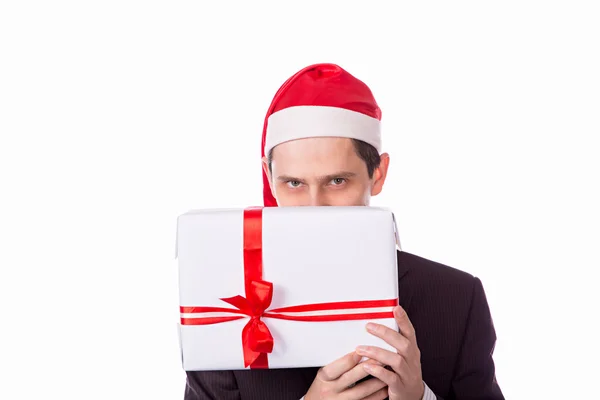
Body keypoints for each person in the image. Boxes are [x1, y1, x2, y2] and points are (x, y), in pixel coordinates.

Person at [184, 63, 504, 400]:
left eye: (337, 181)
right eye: (293, 183)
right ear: (269, 177)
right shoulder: (219, 304)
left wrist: (419, 397)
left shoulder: (455, 298)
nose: (314, 208)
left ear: (377, 174)